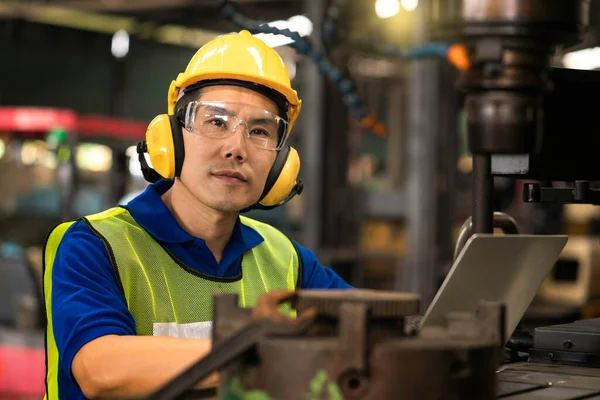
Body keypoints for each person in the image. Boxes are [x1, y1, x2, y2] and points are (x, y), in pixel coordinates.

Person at [43, 30, 352, 400]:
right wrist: (258, 349)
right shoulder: (95, 245)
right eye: (216, 122)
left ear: (280, 163)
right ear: (172, 137)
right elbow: (102, 370)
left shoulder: (287, 261)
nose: (236, 148)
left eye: (259, 130)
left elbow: (368, 330)